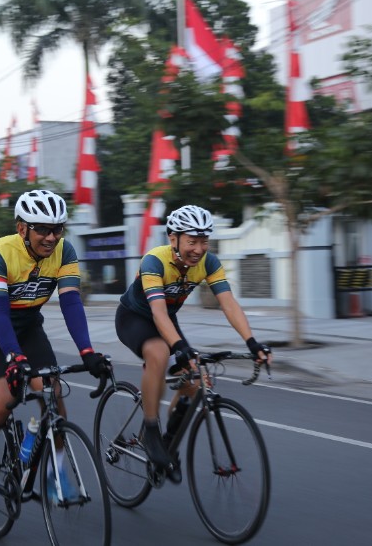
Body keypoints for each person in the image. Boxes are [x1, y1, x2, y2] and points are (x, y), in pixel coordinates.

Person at [0, 189, 109, 502]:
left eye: (57, 229)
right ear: (21, 228)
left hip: (28, 328)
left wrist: (87, 351)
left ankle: (57, 473)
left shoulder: (65, 252)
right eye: (42, 229)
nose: (51, 237)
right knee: (3, 402)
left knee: (52, 391)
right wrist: (14, 358)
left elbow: (70, 302)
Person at [115, 205, 272, 483]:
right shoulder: (154, 261)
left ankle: (167, 443)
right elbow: (158, 313)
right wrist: (179, 347)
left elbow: (229, 304)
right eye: (192, 241)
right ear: (173, 238)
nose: (199, 249)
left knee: (198, 378)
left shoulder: (208, 263)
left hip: (166, 321)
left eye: (204, 241)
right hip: (135, 318)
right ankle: (150, 432)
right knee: (160, 352)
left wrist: (252, 342)